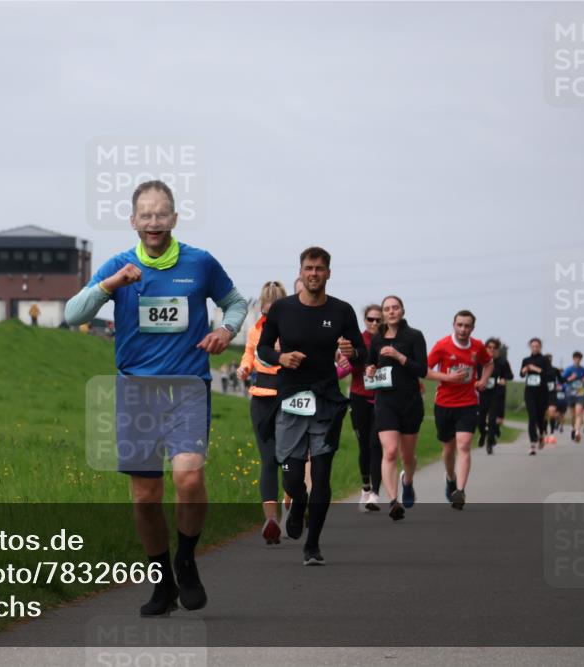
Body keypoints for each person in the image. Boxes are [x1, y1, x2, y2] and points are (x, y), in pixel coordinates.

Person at [64, 180, 247, 616]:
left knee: (188, 478)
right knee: (146, 496)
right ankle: (162, 581)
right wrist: (111, 284)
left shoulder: (199, 263)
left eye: (161, 214)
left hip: (187, 387)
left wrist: (225, 330)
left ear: (174, 219)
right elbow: (73, 315)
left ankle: (186, 558)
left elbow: (236, 302)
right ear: (132, 221)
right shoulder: (119, 266)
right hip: (136, 392)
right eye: (144, 215)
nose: (153, 222)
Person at [256, 247, 366, 565]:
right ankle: (298, 503)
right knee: (291, 476)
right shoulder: (282, 310)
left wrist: (353, 352)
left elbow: (362, 350)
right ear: (301, 272)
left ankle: (312, 546)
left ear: (328, 273)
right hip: (291, 399)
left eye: (319, 268)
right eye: (308, 268)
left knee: (321, 473)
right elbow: (263, 348)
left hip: (326, 400)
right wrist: (280, 357)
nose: (314, 273)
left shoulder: (342, 311)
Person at [365, 296, 428, 521]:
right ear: (383, 313)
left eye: (395, 308)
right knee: (390, 451)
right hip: (385, 402)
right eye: (387, 309)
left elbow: (421, 369)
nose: (391, 312)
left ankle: (407, 483)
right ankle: (393, 500)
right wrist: (370, 369)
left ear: (402, 310)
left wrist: (399, 356)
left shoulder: (414, 336)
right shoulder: (378, 338)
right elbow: (370, 363)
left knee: (407, 456)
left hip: (410, 402)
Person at [237, 281, 288, 544]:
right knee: (268, 460)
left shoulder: (294, 329)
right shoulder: (255, 331)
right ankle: (271, 521)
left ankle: (290, 501)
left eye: (274, 311)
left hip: (288, 398)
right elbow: (249, 354)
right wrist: (245, 368)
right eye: (266, 311)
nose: (269, 317)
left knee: (290, 460)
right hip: (261, 398)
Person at [427, 310, 493, 510]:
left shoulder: (478, 346)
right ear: (454, 325)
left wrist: (483, 380)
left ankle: (460, 491)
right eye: (460, 325)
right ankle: (450, 478)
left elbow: (489, 363)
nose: (463, 329)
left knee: (464, 445)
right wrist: (448, 378)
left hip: (468, 402)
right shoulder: (442, 345)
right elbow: (424, 370)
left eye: (467, 326)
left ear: (473, 328)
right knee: (448, 449)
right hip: (445, 404)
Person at [349, 304, 383, 512]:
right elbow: (348, 366)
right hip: (359, 397)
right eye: (371, 319)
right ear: (365, 320)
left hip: (382, 399)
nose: (374, 323)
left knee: (376, 445)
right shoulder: (358, 339)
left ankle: (375, 495)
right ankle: (365, 487)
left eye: (378, 320)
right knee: (363, 445)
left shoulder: (387, 341)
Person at [477, 337, 513, 454]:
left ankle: (490, 443)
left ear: (498, 350)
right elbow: (474, 374)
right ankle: (483, 434)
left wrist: (503, 378)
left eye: (495, 348)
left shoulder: (502, 362)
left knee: (492, 419)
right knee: (480, 420)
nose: (492, 350)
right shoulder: (480, 361)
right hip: (482, 393)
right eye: (489, 347)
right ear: (486, 348)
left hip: (496, 394)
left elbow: (510, 375)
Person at [519, 338, 552, 454]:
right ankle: (532, 444)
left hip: (542, 392)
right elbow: (521, 375)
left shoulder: (545, 360)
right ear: (530, 347)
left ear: (540, 347)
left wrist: (536, 369)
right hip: (530, 392)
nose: (535, 348)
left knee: (540, 418)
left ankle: (542, 433)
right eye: (533, 346)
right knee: (532, 417)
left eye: (537, 346)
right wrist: (524, 370)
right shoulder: (526, 360)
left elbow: (549, 375)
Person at [563, 351, 584, 443]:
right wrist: (570, 378)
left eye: (579, 358)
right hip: (570, 393)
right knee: (573, 414)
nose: (577, 360)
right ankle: (573, 429)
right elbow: (562, 380)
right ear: (573, 359)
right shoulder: (569, 369)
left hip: (580, 393)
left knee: (579, 412)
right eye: (576, 358)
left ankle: (577, 432)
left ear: (581, 359)